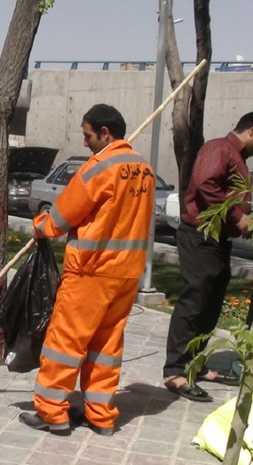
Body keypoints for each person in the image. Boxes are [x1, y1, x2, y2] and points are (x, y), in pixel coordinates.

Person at [19, 104, 155, 437]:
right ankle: (101, 416)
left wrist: (41, 226)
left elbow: (62, 218)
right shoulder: (144, 170)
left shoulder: (98, 168)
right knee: (106, 347)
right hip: (127, 275)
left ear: (105, 133)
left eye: (88, 135)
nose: (85, 143)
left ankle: (52, 413)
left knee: (65, 342)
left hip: (91, 272)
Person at [163, 112, 253, 402]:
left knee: (210, 305)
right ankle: (175, 371)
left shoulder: (236, 157)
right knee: (194, 302)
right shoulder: (219, 149)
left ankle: (193, 363)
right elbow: (205, 185)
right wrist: (238, 216)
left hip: (218, 241)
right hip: (200, 237)